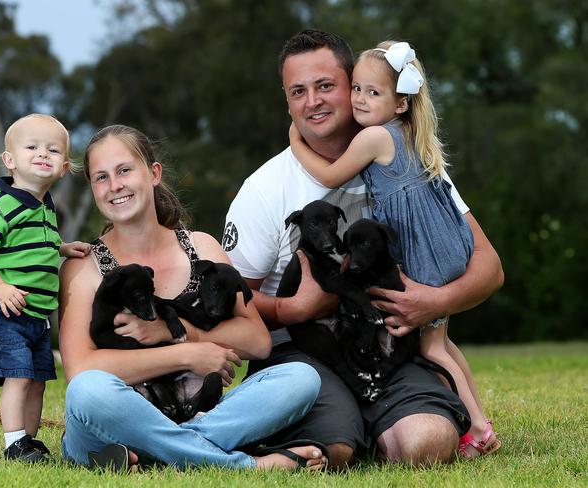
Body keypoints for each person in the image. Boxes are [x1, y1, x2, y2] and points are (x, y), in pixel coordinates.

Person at [223, 29, 504, 468]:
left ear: (352, 86)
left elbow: (489, 266)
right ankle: (344, 426)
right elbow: (232, 296)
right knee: (334, 450)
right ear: (287, 100)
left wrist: (433, 302)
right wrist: (293, 310)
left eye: (325, 86)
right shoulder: (263, 190)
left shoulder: (409, 158)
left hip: (386, 341)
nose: (312, 100)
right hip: (306, 355)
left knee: (427, 444)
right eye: (299, 91)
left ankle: (395, 420)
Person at [57, 124, 328, 471]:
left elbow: (258, 341)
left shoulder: (200, 247)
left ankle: (163, 451)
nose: (115, 186)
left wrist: (185, 332)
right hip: (113, 418)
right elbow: (81, 369)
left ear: (154, 174)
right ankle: (242, 465)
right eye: (101, 177)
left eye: (124, 170)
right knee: (87, 393)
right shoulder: (83, 267)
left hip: (190, 409)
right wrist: (185, 353)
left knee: (300, 378)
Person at [0, 114, 91, 462]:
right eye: (32, 147)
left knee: (37, 380)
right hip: (2, 309)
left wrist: (62, 248)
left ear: (63, 167)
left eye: (52, 150)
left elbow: (33, 245)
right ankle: (13, 443)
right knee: (19, 377)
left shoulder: (44, 208)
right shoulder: (0, 203)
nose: (42, 154)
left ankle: (29, 441)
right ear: (10, 160)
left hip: (34, 316)